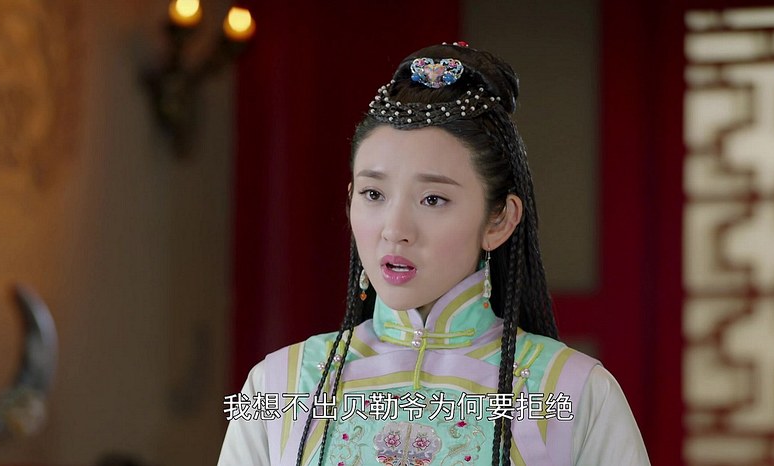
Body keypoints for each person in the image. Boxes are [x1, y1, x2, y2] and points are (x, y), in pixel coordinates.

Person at [218, 42, 650, 466]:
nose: (395, 231)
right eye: (373, 194)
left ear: (499, 220)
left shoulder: (574, 392)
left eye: (433, 199)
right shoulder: (281, 384)